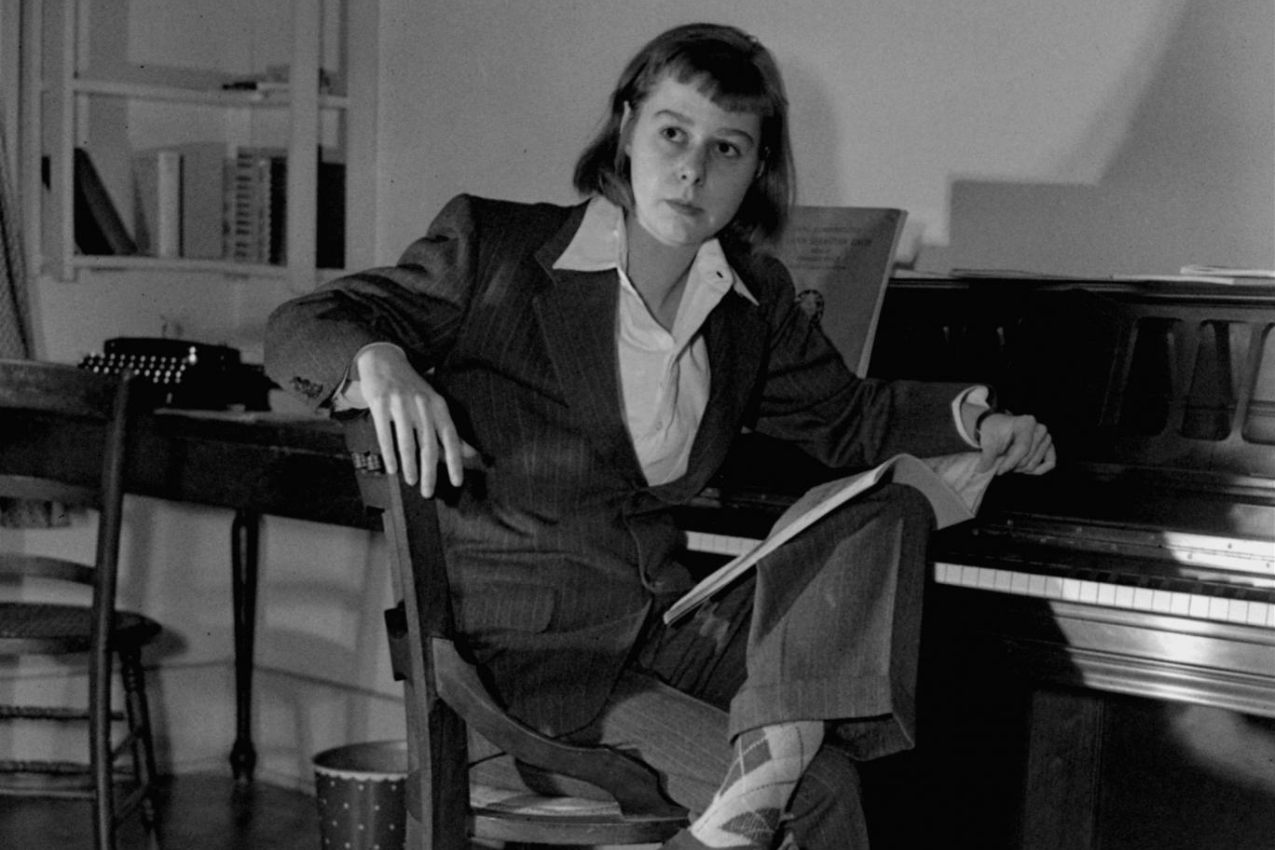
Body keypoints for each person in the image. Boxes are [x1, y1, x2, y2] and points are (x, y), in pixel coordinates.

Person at [266, 22, 1055, 849]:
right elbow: (302, 324)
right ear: (627, 125)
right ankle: (749, 806)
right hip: (528, 667)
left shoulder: (750, 301)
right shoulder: (495, 249)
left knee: (887, 506)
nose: (692, 169)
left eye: (728, 149)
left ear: (756, 170)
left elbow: (845, 418)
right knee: (819, 792)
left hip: (664, 630)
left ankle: (737, 813)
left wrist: (980, 420)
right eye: (673, 133)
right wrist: (379, 358)